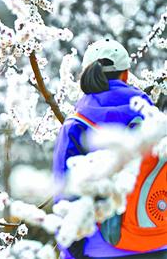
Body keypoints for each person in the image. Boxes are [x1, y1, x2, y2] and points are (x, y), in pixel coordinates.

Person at [52, 38, 167, 259]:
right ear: (125, 75)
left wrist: (70, 248)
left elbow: (65, 190)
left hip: (101, 247)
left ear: (86, 75)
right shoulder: (154, 121)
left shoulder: (77, 124)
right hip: (158, 238)